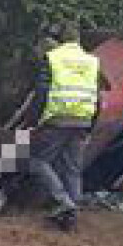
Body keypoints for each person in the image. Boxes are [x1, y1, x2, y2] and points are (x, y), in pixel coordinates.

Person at [23, 23, 101, 231]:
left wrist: (31, 122)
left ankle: (64, 203)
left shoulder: (54, 58)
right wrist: (90, 126)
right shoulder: (91, 62)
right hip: (83, 119)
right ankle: (71, 216)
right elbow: (98, 97)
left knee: (38, 161)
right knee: (72, 169)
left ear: (60, 40)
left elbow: (41, 94)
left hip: (58, 118)